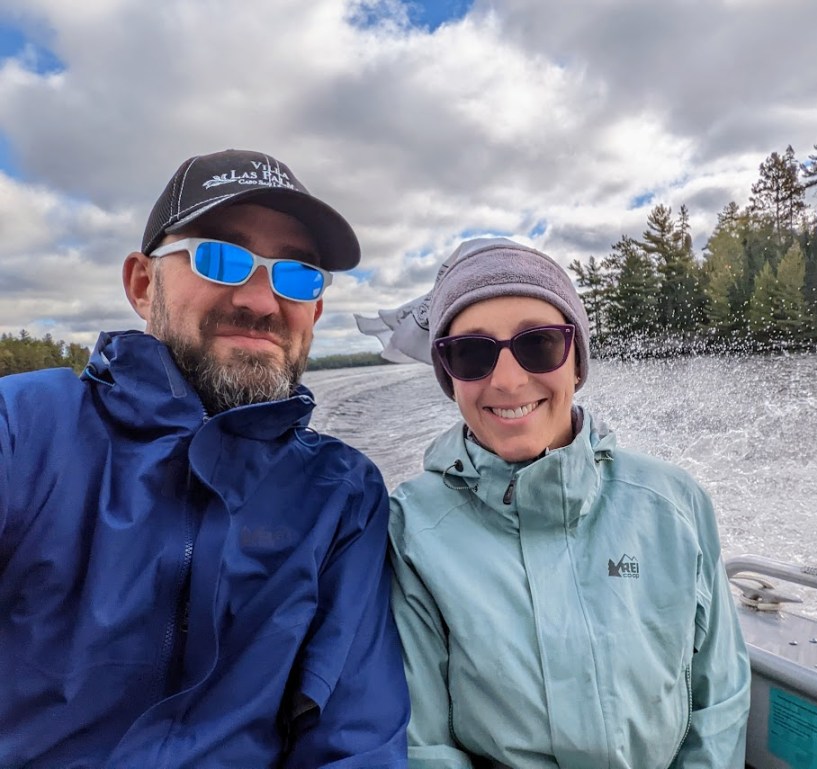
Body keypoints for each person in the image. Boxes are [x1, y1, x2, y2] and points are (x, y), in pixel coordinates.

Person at [0, 149, 409, 767]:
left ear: (316, 312)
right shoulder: (24, 430)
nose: (261, 300)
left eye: (298, 275)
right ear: (144, 285)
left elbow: (355, 742)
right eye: (220, 257)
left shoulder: (343, 496)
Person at [386, 237, 751, 768]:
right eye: (471, 353)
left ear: (576, 360)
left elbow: (719, 702)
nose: (508, 380)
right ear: (450, 378)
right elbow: (423, 746)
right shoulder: (411, 528)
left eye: (538, 344)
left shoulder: (674, 504)